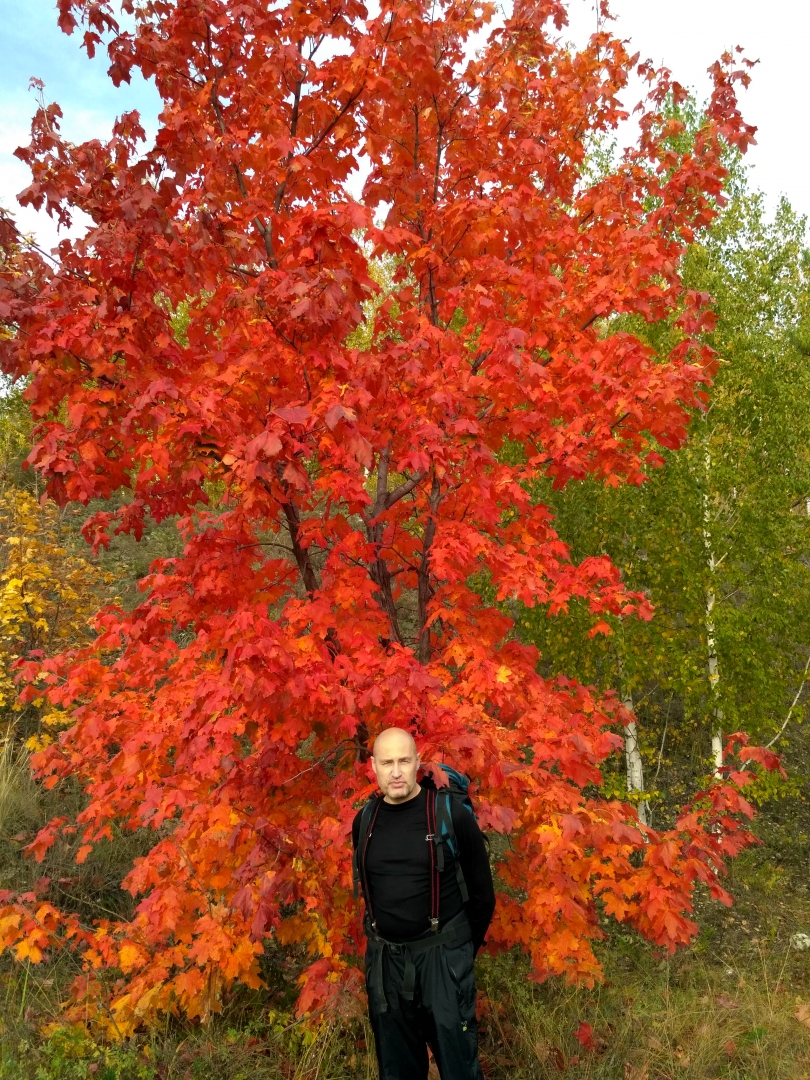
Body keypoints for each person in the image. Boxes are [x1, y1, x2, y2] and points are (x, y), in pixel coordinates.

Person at [352, 727, 495, 1080]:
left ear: (417, 762)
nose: (396, 771)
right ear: (374, 766)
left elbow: (483, 897)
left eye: (404, 761)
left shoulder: (451, 815)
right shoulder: (364, 821)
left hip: (442, 959)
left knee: (459, 1068)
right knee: (396, 1071)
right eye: (387, 762)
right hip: (386, 964)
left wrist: (457, 955)